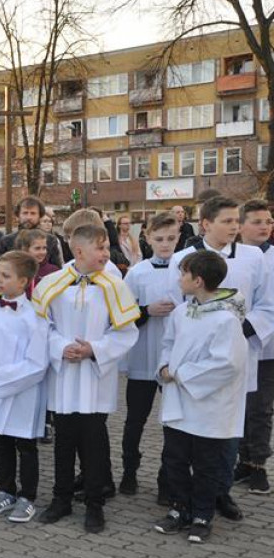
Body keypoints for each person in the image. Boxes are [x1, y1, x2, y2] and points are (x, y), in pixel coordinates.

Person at [169, 196, 274, 521]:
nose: (234, 227)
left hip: (237, 356)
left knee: (228, 432)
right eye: (227, 221)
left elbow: (267, 303)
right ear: (206, 224)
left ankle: (220, 492)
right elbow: (180, 307)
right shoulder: (185, 258)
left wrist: (237, 330)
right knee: (190, 436)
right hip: (194, 360)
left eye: (236, 221)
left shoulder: (254, 256)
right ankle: (187, 496)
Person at [34, 224, 140, 533]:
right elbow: (42, 326)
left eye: (107, 248)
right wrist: (60, 348)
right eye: (101, 249)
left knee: (94, 443)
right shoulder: (52, 283)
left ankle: (95, 503)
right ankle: (61, 498)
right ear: (78, 251)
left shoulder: (113, 285)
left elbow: (125, 331)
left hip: (94, 377)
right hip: (64, 375)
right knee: (64, 441)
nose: (107, 254)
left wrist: (93, 349)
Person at [155, 251, 249, 543]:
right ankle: (179, 508)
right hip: (179, 403)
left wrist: (180, 374)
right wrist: (164, 366)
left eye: (183, 274)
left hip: (208, 406)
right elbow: (168, 343)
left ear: (197, 280)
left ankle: (202, 514)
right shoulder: (181, 312)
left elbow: (227, 364)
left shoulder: (226, 320)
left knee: (207, 464)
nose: (178, 278)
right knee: (175, 459)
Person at [0, 251, 49, 523]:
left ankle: (27, 496)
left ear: (23, 282)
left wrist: (1, 375)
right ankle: (5, 489)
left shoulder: (35, 316)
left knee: (26, 445)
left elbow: (37, 363)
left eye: (6, 276)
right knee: (2, 442)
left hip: (24, 392)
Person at [119, 213, 180, 499]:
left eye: (171, 239)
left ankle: (167, 479)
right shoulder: (137, 272)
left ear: (179, 237)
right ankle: (129, 472)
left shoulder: (185, 269)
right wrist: (146, 310)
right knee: (135, 419)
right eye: (159, 239)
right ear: (147, 238)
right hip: (143, 356)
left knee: (172, 422)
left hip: (173, 358)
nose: (165, 244)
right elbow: (122, 315)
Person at [235, 199, 274, 495]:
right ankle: (242, 460)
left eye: (268, 221)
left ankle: (258, 464)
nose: (265, 226)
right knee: (238, 405)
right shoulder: (233, 258)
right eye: (258, 221)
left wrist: (252, 327)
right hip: (234, 343)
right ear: (241, 225)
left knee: (260, 407)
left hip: (266, 345)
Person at [0, 197, 64, 268]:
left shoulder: (50, 240)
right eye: (25, 213)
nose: (29, 217)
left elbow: (56, 269)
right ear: (17, 216)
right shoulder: (6, 241)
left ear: (40, 216)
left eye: (33, 213)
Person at [16, 229, 59, 297]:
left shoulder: (53, 270)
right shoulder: (16, 269)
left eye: (44, 248)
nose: (42, 252)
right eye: (37, 248)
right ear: (25, 249)